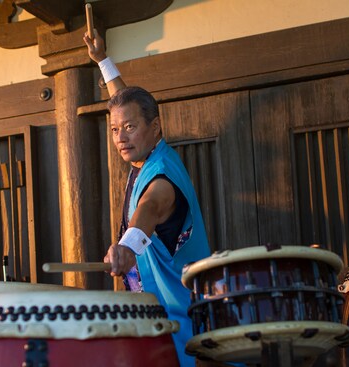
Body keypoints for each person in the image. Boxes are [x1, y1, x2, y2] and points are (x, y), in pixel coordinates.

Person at [84, 30, 211, 367]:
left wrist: (127, 246)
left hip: (181, 323)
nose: (120, 137)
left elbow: (149, 207)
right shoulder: (148, 153)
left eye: (129, 128)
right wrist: (103, 61)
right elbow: (124, 102)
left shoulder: (162, 174)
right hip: (159, 319)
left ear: (155, 127)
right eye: (114, 129)